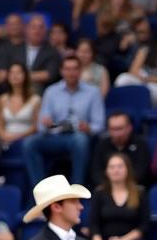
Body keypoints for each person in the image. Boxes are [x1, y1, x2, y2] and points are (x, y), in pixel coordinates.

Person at [23, 55, 105, 190]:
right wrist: (45, 124)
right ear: (61, 71)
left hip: (78, 136)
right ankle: (41, 190)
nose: (71, 73)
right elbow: (40, 125)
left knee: (80, 140)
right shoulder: (51, 91)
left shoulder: (93, 92)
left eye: (74, 69)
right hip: (55, 135)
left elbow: (99, 125)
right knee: (29, 143)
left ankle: (76, 188)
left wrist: (89, 128)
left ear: (80, 71)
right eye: (67, 69)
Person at [88, 152, 149, 240]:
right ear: (106, 171)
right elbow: (93, 223)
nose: (116, 170)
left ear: (127, 170)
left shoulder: (139, 192)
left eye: (120, 167)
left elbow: (144, 226)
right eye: (112, 167)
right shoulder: (99, 193)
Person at [115, 17, 157, 105]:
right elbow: (133, 69)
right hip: (140, 78)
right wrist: (142, 78)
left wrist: (148, 79)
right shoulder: (147, 46)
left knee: (155, 91)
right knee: (122, 79)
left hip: (156, 84)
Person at [0, 13, 61, 90]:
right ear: (26, 29)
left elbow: (49, 74)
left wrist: (18, 76)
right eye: (33, 27)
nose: (37, 31)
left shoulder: (52, 51)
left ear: (46, 31)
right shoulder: (12, 49)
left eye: (41, 27)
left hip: (40, 91)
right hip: (12, 90)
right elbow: (1, 76)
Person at [90, 111, 151, 188]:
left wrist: (121, 185)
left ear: (129, 128)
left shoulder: (140, 144)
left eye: (120, 128)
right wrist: (109, 186)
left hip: (133, 188)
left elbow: (142, 172)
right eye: (113, 129)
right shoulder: (102, 145)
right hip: (106, 189)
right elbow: (96, 171)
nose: (117, 133)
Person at [0, 61, 40, 153]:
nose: (14, 75)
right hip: (6, 141)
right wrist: (4, 136)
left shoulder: (35, 99)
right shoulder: (3, 99)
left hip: (27, 141)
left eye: (18, 72)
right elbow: (0, 125)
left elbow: (36, 126)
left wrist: (17, 137)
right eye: (11, 72)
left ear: (25, 75)